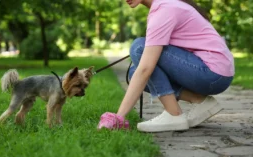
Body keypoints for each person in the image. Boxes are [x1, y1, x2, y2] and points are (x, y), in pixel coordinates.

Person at [97, 0, 234, 132]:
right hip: (214, 73)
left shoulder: (164, 10)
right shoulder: (165, 5)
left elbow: (146, 69)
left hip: (212, 73)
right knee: (134, 73)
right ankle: (199, 100)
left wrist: (119, 116)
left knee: (139, 48)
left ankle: (173, 114)